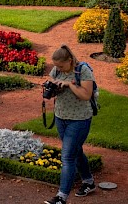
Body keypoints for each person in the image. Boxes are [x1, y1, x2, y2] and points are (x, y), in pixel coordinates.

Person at [43, 45, 97, 204]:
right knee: (76, 151)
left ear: (70, 60)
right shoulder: (57, 70)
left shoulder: (83, 70)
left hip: (79, 119)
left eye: (60, 66)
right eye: (56, 66)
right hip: (61, 117)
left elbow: (86, 95)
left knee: (67, 156)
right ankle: (88, 181)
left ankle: (61, 197)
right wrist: (51, 89)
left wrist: (70, 85)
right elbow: (53, 90)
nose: (57, 69)